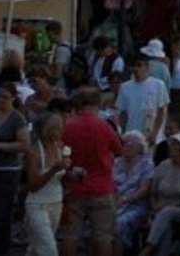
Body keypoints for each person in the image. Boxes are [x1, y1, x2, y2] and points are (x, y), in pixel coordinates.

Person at [60, 87, 122, 256]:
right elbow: (119, 150)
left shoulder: (67, 126)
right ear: (97, 103)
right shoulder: (103, 126)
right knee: (103, 236)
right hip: (101, 187)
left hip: (75, 186)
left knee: (71, 235)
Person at [0, 81, 31, 255]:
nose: (0, 100)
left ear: (13, 99)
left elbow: (24, 144)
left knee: (2, 211)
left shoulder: (16, 118)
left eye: (5, 97)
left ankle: (1, 248)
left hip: (7, 170)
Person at [143, 132, 180, 256]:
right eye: (171, 144)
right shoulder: (163, 165)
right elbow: (153, 192)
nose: (170, 147)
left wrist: (164, 206)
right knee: (165, 223)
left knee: (167, 212)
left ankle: (147, 248)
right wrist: (154, 204)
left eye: (175, 144)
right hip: (159, 209)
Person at [25, 113, 69, 256]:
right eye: (57, 128)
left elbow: (60, 175)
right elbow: (33, 185)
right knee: (49, 249)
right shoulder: (34, 151)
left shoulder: (59, 146)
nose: (61, 131)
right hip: (37, 204)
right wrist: (54, 169)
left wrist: (72, 172)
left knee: (37, 247)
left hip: (56, 202)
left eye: (61, 127)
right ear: (46, 130)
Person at [111, 131, 155, 250]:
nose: (127, 145)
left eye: (131, 143)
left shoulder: (147, 164)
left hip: (136, 205)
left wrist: (124, 200)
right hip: (113, 203)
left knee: (119, 224)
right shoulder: (116, 162)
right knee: (96, 222)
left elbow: (144, 190)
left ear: (140, 147)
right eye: (125, 143)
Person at [116, 57, 170, 142]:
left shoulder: (159, 85)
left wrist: (155, 132)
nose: (136, 68)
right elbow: (122, 113)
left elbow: (161, 111)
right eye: (134, 66)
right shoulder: (125, 87)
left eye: (139, 65)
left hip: (152, 135)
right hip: (132, 133)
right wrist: (121, 133)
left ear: (147, 67)